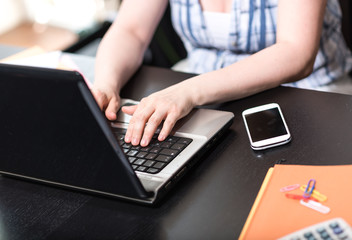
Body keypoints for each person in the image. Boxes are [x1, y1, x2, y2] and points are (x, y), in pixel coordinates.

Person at [93, 0, 352, 147]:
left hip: (308, 94)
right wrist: (106, 84)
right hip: (200, 92)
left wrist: (189, 91)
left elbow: (297, 52)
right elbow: (131, 30)